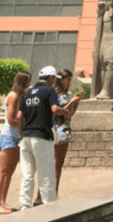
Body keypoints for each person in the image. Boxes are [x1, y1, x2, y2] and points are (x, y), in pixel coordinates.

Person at [17, 66, 72, 209]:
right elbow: (54, 109)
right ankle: (49, 204)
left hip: (26, 138)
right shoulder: (49, 90)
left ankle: (24, 204)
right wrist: (65, 111)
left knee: (27, 173)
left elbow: (19, 116)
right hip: (41, 136)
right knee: (46, 172)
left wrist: (22, 133)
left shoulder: (27, 93)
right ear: (50, 78)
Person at [0, 70, 30, 215]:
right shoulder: (13, 96)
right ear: (23, 82)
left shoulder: (19, 97)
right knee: (3, 171)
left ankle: (2, 202)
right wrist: (24, 124)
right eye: (27, 82)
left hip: (15, 137)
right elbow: (11, 120)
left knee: (9, 172)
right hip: (8, 135)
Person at [51, 69, 82, 194]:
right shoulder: (54, 94)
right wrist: (72, 102)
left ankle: (55, 190)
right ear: (61, 80)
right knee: (54, 162)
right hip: (56, 128)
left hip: (65, 128)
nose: (69, 83)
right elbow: (57, 111)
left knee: (60, 162)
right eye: (67, 80)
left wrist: (76, 102)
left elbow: (70, 114)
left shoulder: (65, 94)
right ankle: (50, 191)